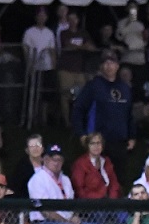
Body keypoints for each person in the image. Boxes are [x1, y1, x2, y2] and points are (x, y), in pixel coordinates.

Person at [72, 49, 135, 182]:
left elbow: (129, 114)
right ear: (101, 66)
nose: (109, 66)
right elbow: (78, 109)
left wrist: (132, 136)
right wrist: (81, 133)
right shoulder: (93, 86)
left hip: (120, 142)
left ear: (117, 66)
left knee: (119, 181)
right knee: (96, 181)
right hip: (98, 142)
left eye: (112, 62)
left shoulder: (124, 88)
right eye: (105, 63)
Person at [55, 10, 94, 127]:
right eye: (70, 19)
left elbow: (91, 47)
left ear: (78, 20)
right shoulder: (63, 33)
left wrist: (79, 47)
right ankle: (67, 122)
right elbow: (67, 46)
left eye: (74, 19)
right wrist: (82, 47)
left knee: (81, 95)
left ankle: (80, 120)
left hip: (79, 69)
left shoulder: (83, 33)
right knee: (65, 95)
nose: (72, 21)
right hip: (66, 69)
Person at [22, 6, 57, 123]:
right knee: (32, 92)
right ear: (36, 17)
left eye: (44, 15)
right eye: (40, 15)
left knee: (46, 93)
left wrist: (54, 65)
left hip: (47, 66)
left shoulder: (49, 33)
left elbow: (52, 50)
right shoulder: (29, 32)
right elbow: (25, 49)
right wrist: (29, 65)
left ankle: (44, 118)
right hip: (34, 66)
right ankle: (31, 117)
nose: (41, 18)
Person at [69, 132, 121, 203]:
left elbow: (114, 183)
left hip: (109, 203)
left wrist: (112, 201)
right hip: (90, 205)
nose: (96, 146)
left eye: (98, 143)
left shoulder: (106, 161)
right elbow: (79, 189)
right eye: (92, 143)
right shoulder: (80, 164)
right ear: (87, 146)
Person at [8, 134, 45, 199]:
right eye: (31, 146)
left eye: (38, 145)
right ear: (27, 150)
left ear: (42, 149)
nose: (35, 148)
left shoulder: (48, 165)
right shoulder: (21, 167)